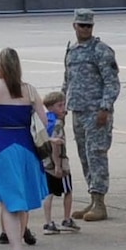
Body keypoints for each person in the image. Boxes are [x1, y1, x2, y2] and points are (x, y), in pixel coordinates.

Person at [0, 48, 49, 250]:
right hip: (25, 146)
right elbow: (44, 122)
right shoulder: (29, 90)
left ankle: (16, 249)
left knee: (9, 203)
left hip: (0, 145)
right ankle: (17, 245)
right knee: (22, 200)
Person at [61, 9, 120, 224]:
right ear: (74, 26)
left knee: (96, 155)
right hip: (78, 111)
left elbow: (112, 83)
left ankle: (100, 201)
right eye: (81, 25)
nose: (85, 29)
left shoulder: (101, 51)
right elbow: (67, 80)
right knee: (85, 156)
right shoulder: (72, 50)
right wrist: (62, 106)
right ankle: (92, 197)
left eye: (89, 26)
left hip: (96, 113)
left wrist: (104, 108)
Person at [40, 90, 76, 233]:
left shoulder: (45, 120)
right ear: (50, 107)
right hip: (58, 161)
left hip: (45, 162)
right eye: (60, 106)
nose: (64, 109)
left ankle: (48, 222)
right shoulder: (57, 124)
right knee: (68, 190)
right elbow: (56, 144)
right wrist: (58, 165)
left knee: (49, 193)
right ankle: (66, 219)